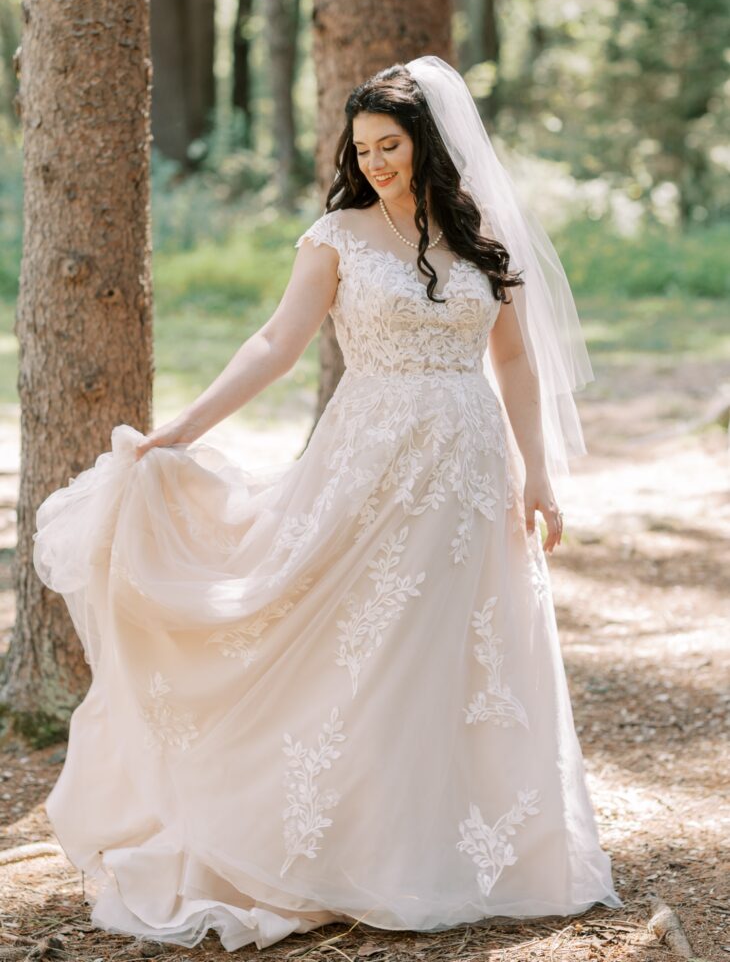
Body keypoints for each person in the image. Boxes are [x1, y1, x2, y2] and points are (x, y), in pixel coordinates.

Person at [33, 55, 622, 953]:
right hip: (372, 463)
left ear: (428, 143)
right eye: (364, 148)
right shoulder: (337, 236)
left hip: (469, 470)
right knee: (363, 645)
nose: (378, 161)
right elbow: (276, 341)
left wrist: (538, 472)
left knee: (456, 655)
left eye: (391, 145)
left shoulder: (478, 237)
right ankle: (336, 849)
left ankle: (438, 851)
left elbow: (513, 362)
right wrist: (179, 431)